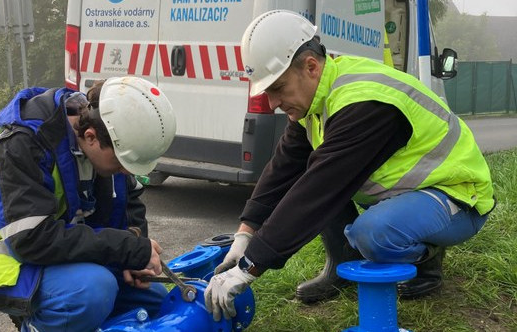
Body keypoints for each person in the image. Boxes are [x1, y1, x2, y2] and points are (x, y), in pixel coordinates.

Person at [204, 10, 495, 321]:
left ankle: (427, 258)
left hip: (458, 197)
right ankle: (342, 263)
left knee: (372, 233)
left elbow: (319, 192)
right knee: (317, 176)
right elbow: (283, 169)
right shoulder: (318, 97)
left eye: (277, 88)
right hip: (410, 194)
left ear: (311, 67)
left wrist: (250, 267)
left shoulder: (363, 104)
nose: (273, 103)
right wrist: (245, 233)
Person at [0, 76, 176, 331]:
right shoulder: (21, 145)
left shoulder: (107, 139)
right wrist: (126, 248)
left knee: (158, 299)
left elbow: (130, 202)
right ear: (90, 137)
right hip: (1, 261)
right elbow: (31, 239)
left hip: (58, 255)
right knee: (93, 291)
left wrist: (132, 251)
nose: (126, 171)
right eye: (122, 163)